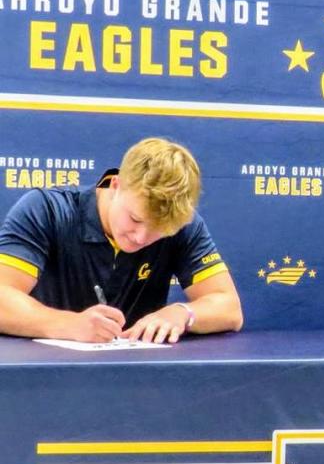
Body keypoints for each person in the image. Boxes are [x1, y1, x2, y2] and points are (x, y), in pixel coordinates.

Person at [0, 136, 243, 343]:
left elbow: (229, 308)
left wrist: (183, 313)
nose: (141, 238)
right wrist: (69, 324)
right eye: (135, 219)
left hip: (135, 380)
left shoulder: (183, 225)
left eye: (160, 231)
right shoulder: (46, 210)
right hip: (40, 381)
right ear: (115, 184)